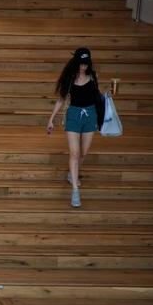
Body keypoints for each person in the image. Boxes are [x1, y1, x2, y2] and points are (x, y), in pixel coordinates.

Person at [47, 48, 103, 208]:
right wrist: (51, 119)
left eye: (86, 64)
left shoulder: (93, 76)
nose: (83, 67)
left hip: (90, 115)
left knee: (83, 153)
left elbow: (97, 96)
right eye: (81, 63)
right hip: (73, 115)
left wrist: (107, 96)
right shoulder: (70, 78)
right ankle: (75, 192)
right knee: (74, 152)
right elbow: (61, 99)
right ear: (76, 62)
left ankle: (73, 174)